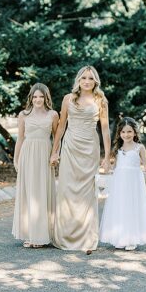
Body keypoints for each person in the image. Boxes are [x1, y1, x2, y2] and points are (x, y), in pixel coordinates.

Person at [50, 66, 110, 253]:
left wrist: (107, 156)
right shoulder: (69, 99)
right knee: (67, 189)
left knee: (86, 192)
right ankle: (66, 236)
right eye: (83, 78)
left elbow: (105, 129)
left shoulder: (101, 100)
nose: (86, 81)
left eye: (90, 78)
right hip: (70, 146)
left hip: (89, 148)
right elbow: (60, 127)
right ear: (78, 80)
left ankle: (86, 238)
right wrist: (54, 151)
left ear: (95, 82)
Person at [11, 83, 59, 248]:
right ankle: (31, 233)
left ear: (46, 97)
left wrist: (55, 154)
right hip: (28, 154)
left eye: (41, 96)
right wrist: (15, 159)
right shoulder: (23, 115)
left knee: (42, 192)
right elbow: (20, 138)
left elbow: (56, 137)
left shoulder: (53, 114)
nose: (38, 100)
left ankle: (41, 235)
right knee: (29, 192)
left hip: (44, 155)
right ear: (31, 98)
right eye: (35, 96)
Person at [99, 118, 146, 250]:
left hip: (134, 183)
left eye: (129, 131)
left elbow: (145, 164)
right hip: (120, 182)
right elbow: (115, 167)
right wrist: (107, 166)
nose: (126, 134)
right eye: (123, 132)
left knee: (132, 207)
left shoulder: (139, 148)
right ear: (119, 133)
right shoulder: (118, 148)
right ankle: (119, 237)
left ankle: (131, 238)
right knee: (120, 206)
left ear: (135, 132)